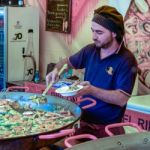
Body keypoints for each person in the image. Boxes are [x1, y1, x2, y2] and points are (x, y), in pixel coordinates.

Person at [46, 5, 137, 139]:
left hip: (108, 128)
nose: (94, 37)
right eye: (92, 31)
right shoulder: (90, 50)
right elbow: (67, 61)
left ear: (114, 33)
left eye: (99, 32)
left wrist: (92, 90)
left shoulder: (126, 60)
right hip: (83, 121)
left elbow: (121, 99)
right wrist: (55, 69)